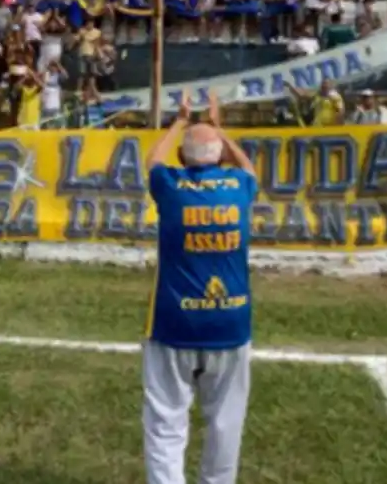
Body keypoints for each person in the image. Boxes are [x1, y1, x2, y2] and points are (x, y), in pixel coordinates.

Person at [142, 91, 256, 484]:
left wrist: (179, 121)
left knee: (165, 424)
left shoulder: (171, 185)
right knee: (225, 424)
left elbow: (152, 160)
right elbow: (250, 169)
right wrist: (219, 128)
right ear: (221, 156)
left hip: (174, 325)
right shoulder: (239, 186)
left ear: (183, 159)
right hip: (230, 322)